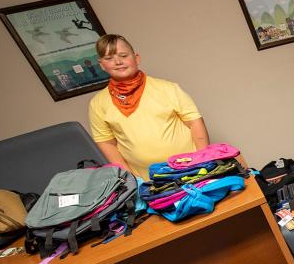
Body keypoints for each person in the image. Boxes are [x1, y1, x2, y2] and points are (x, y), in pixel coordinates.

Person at [88, 34, 210, 179]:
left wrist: (203, 161)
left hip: (192, 171)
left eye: (123, 55)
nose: (118, 61)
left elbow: (195, 122)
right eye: (109, 58)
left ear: (136, 58)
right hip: (149, 183)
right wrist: (130, 178)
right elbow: (107, 143)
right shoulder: (97, 104)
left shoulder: (168, 88)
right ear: (101, 65)